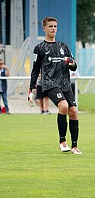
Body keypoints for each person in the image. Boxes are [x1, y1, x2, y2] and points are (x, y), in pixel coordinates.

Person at [28, 17, 82, 154]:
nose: (53, 28)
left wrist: (72, 64)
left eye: (55, 26)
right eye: (50, 26)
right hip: (50, 83)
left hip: (65, 83)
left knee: (74, 111)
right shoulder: (39, 48)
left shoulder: (64, 46)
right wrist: (31, 88)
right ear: (44, 28)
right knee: (63, 106)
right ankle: (62, 141)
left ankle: (74, 146)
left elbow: (73, 67)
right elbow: (35, 69)